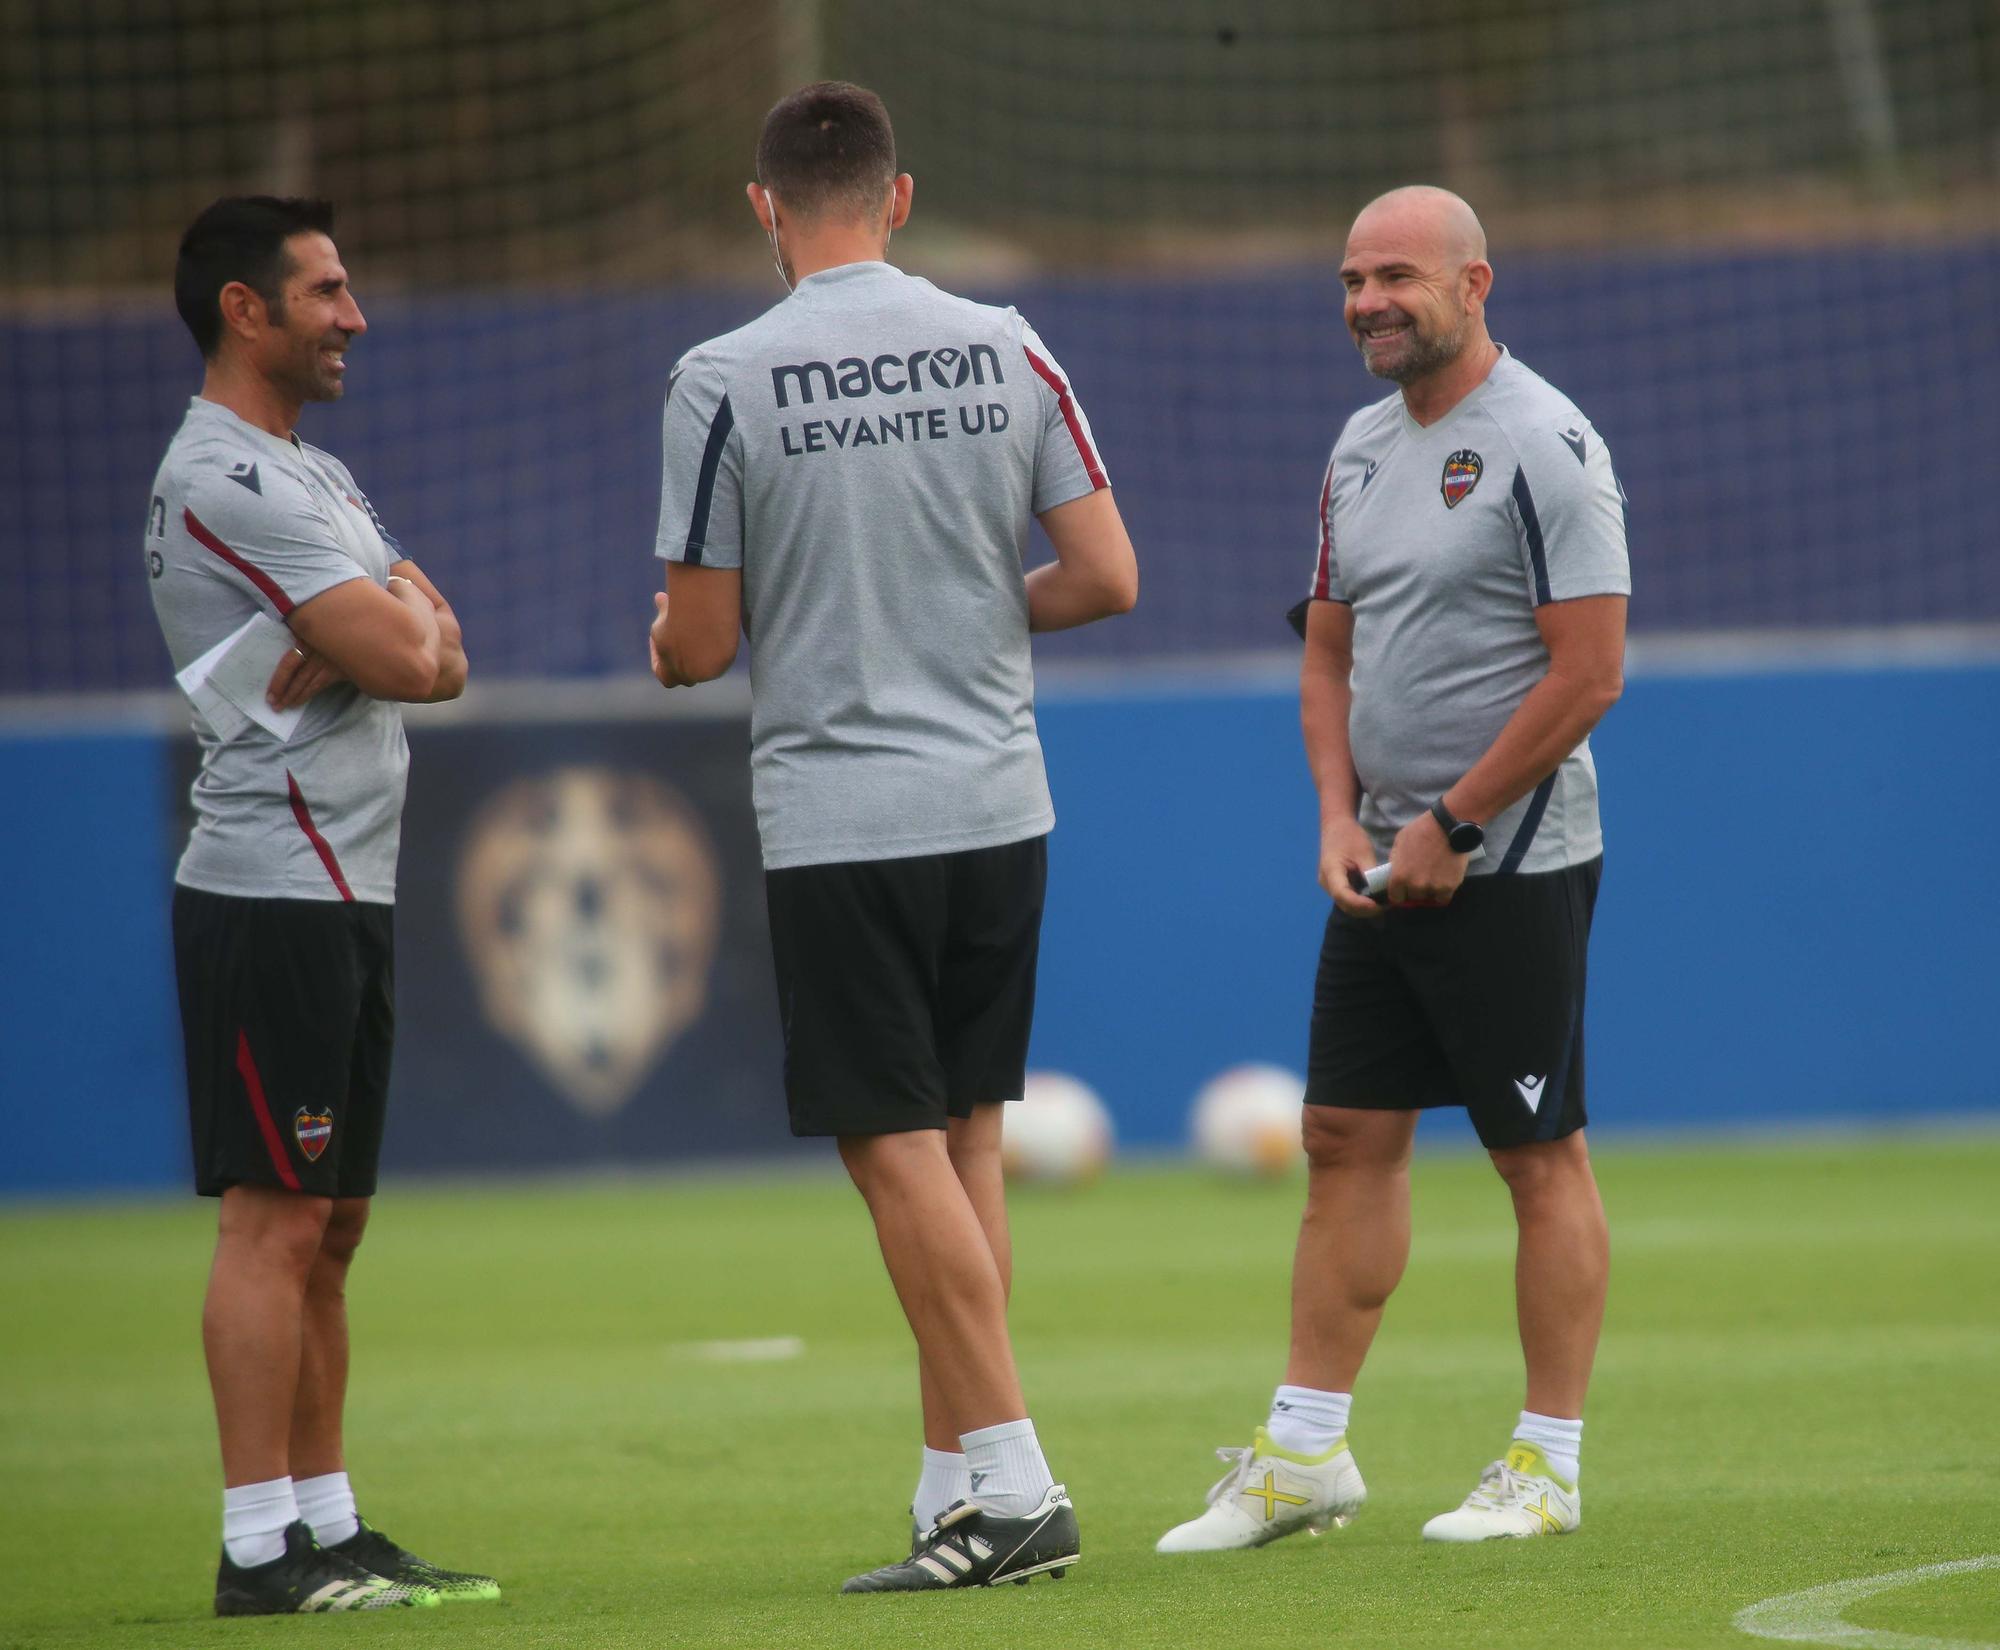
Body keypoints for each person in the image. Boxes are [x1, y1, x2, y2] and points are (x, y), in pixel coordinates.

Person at [648, 82, 1137, 1592]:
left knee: (888, 1141)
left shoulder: (722, 375)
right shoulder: (1009, 343)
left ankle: (1017, 1477)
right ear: (900, 196)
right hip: (999, 797)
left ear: (764, 208)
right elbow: (1106, 574)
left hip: (845, 811)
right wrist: (971, 615)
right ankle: (956, 1493)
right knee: (967, 1133)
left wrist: (668, 640)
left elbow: (699, 642)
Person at [1157, 186, 1629, 1552]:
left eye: (1399, 278)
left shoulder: (1546, 445)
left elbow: (1590, 668)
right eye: (1352, 279)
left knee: (1537, 1154)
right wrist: (1336, 817)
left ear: (1476, 284)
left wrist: (1459, 824)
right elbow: (1326, 648)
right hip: (1385, 852)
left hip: (1513, 853)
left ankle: (1547, 1465)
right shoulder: (1359, 446)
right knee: (1342, 1137)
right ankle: (1305, 1457)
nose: (1369, 301)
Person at [147, 196, 494, 1614]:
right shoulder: (225, 480)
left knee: (332, 1220)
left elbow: (439, 646)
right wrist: (397, 629)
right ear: (246, 309)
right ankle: (254, 1549)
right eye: (327, 290)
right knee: (273, 1220)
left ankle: (329, 1523)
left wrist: (399, 620)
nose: (354, 315)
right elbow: (412, 658)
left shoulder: (319, 476)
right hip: (269, 894)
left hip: (350, 887)